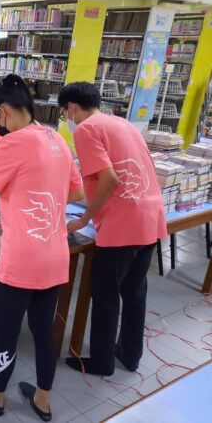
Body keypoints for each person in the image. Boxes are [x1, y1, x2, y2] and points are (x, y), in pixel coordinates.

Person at [0, 74, 84, 421]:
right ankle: (42, 402)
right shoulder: (55, 137)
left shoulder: (12, 144)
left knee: (7, 333)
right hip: (55, 255)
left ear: (2, 112)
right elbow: (76, 193)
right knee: (44, 334)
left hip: (20, 261)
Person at [59, 82, 167, 376]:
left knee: (105, 294)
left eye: (63, 115)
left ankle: (102, 361)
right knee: (135, 291)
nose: (66, 122)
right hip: (150, 216)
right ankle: (130, 355)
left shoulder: (86, 129)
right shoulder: (124, 124)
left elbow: (109, 179)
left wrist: (83, 220)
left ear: (71, 107)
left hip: (122, 226)